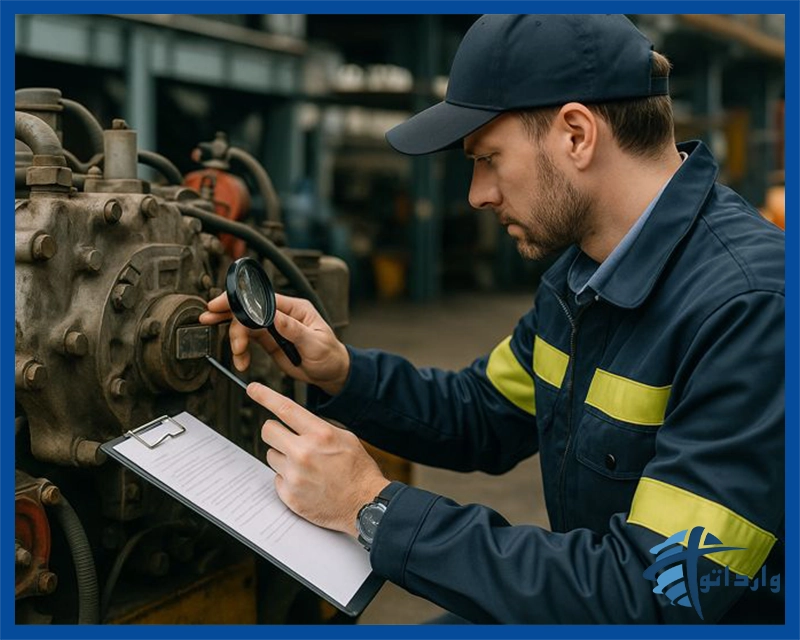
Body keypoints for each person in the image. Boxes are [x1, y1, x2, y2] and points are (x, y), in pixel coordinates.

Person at [199, 14, 784, 624]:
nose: (477, 194)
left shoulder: (753, 310)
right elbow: (483, 410)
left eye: (488, 158)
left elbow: (654, 594)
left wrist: (372, 508)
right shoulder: (580, 276)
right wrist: (341, 374)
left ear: (577, 135)